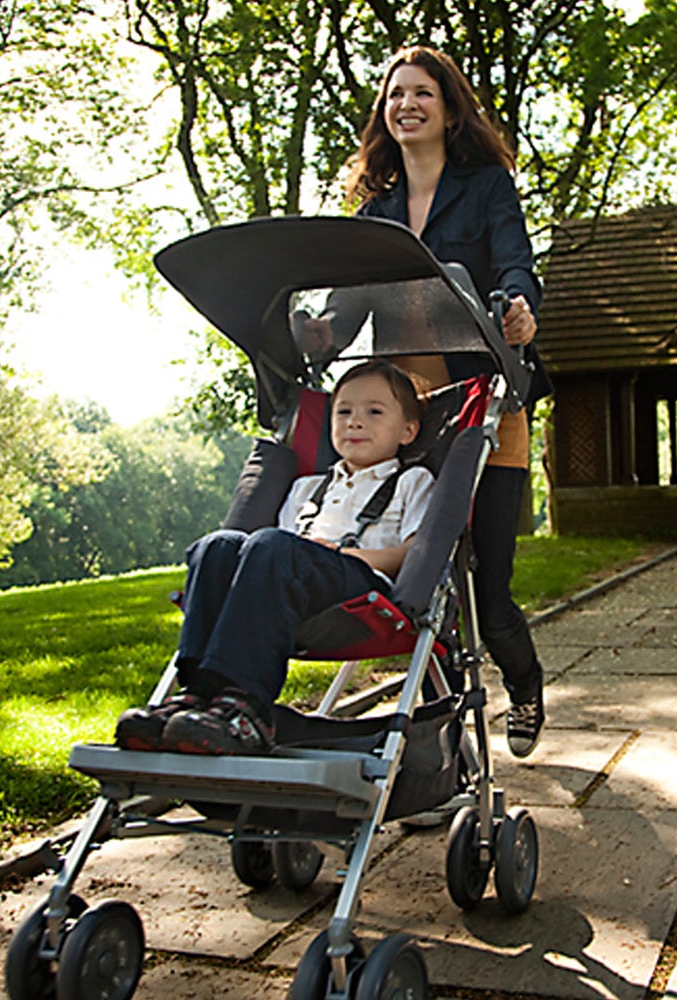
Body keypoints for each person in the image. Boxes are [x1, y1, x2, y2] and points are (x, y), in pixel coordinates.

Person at [343, 45, 551, 758]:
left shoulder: (488, 187)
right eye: (395, 94)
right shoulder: (377, 212)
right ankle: (440, 749)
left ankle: (525, 684)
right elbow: (349, 306)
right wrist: (312, 329)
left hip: (488, 407)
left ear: (449, 107)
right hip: (412, 418)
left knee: (489, 600)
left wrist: (521, 307)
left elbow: (516, 261)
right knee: (425, 591)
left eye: (422, 93)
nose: (407, 104)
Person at [115, 360, 434, 756]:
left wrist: (338, 552)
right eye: (343, 411)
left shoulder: (411, 481)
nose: (355, 422)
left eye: (374, 411)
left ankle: (249, 705)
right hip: (287, 586)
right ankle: (197, 697)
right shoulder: (307, 488)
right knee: (217, 545)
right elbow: (269, 550)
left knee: (271, 545)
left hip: (360, 588)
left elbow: (411, 554)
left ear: (408, 430)